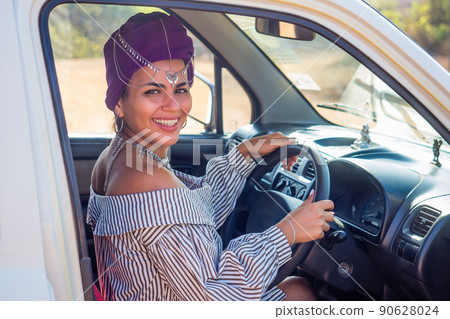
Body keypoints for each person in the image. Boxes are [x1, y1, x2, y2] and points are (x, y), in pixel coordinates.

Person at [87, 12, 335, 301]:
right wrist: (287, 231)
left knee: (294, 287)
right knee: (299, 291)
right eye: (153, 91)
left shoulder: (118, 155)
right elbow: (219, 296)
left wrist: (244, 155)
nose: (174, 106)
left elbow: (190, 217)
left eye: (180, 89)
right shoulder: (146, 179)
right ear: (118, 102)